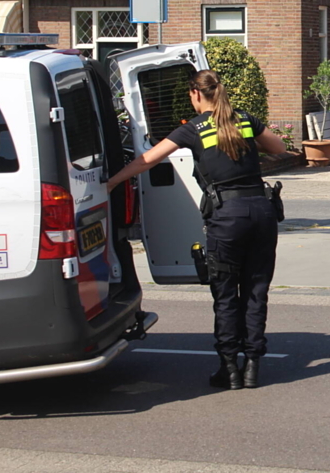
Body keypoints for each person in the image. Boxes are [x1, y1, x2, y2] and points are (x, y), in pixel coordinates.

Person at [107, 70, 287, 389]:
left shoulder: (193, 128)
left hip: (227, 218)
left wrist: (111, 182)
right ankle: (252, 367)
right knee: (256, 291)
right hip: (261, 212)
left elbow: (147, 159)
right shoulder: (244, 120)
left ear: (195, 94)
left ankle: (229, 369)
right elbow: (278, 148)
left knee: (226, 293)